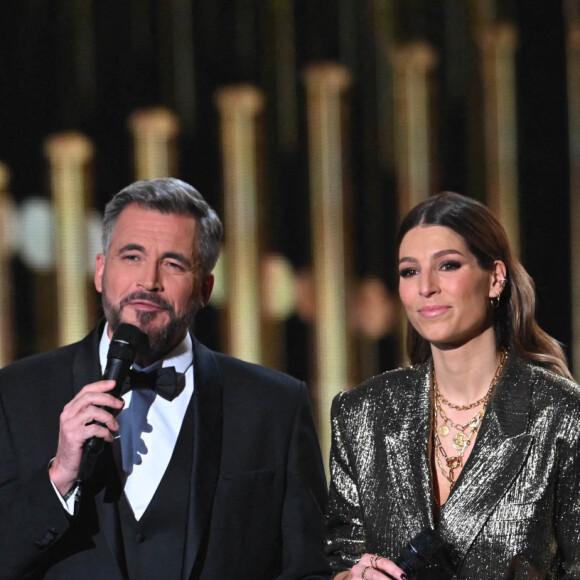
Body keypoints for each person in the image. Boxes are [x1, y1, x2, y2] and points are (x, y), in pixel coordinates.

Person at [0, 177, 331, 579]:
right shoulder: (15, 393)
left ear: (205, 288)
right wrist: (59, 476)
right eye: (132, 256)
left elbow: (307, 569)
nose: (149, 281)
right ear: (101, 270)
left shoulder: (275, 406)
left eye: (173, 263)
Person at [326, 192, 580, 579]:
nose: (426, 287)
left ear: (495, 278)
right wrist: (355, 576)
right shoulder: (361, 413)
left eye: (447, 265)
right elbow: (340, 560)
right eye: (409, 271)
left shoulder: (561, 414)